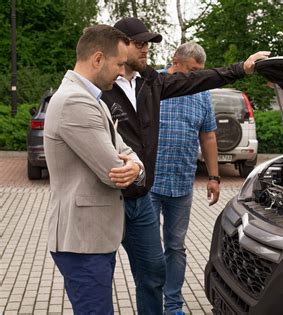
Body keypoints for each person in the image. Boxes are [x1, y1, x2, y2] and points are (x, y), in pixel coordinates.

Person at [100, 17, 269, 315]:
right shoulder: (99, 88)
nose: (146, 50)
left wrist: (241, 69)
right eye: (139, 44)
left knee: (153, 272)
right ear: (119, 45)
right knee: (101, 269)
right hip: (107, 197)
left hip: (143, 194)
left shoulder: (150, 82)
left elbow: (197, 82)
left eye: (147, 45)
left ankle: (169, 305)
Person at [44, 25, 144, 315]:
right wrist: (132, 166)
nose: (123, 71)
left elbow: (126, 151)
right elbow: (113, 169)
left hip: (91, 238)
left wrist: (135, 165)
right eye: (120, 64)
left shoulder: (89, 96)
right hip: (82, 241)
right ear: (98, 59)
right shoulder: (75, 101)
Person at [148, 42, 219, 315]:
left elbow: (208, 136)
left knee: (175, 247)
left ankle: (173, 305)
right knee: (150, 249)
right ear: (174, 61)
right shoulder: (152, 83)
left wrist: (214, 176)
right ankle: (151, 301)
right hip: (149, 184)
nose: (195, 77)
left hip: (182, 184)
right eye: (191, 70)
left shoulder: (202, 93)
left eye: (199, 71)